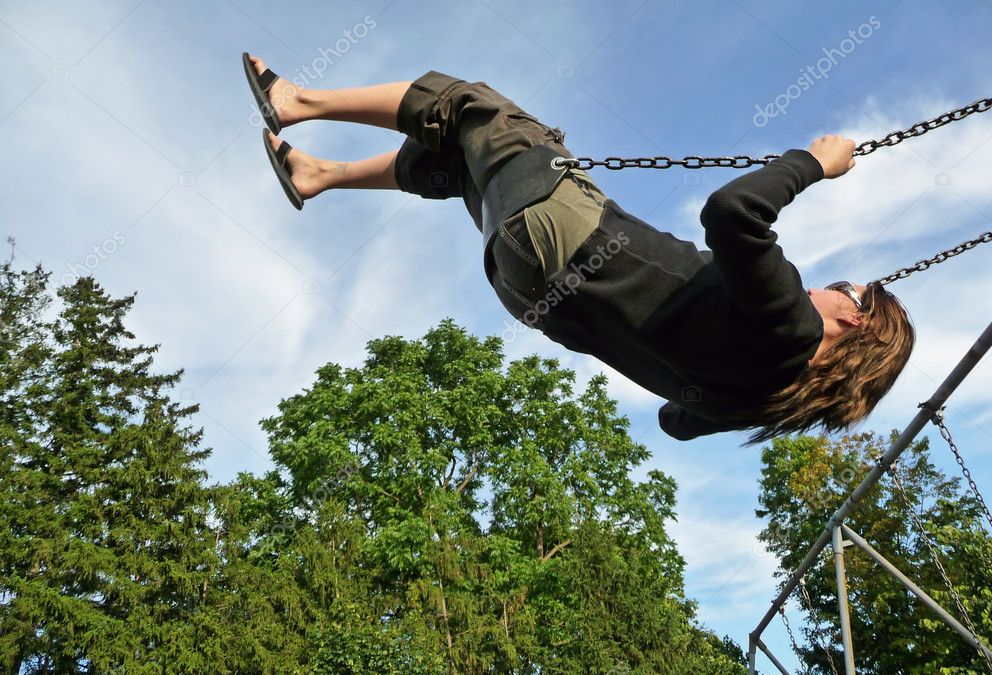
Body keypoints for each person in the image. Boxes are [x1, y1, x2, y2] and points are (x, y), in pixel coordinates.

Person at [243, 56, 915, 445]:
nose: (832, 286)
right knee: (460, 161)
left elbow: (734, 214)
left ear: (854, 319)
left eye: (849, 288)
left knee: (475, 108)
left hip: (565, 235)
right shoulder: (760, 401)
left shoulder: (790, 328)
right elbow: (674, 422)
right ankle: (319, 174)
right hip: (524, 284)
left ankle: (298, 101)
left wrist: (811, 164)